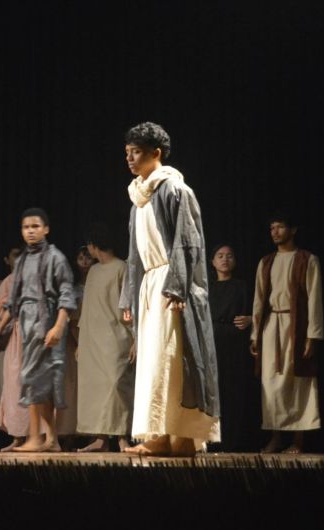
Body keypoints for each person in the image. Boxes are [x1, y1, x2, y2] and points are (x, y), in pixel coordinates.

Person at [118, 122, 220, 456]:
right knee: (153, 362)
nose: (130, 159)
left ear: (156, 153)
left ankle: (183, 436)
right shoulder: (138, 198)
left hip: (171, 286)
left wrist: (178, 288)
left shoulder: (174, 189)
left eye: (137, 152)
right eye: (128, 153)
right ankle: (162, 435)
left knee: (174, 361)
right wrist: (129, 297)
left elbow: (187, 243)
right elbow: (135, 255)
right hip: (149, 284)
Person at [0, 208, 76, 453]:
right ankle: (50, 439)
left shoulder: (55, 257)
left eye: (36, 226)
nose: (31, 231)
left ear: (46, 229)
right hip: (27, 326)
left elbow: (67, 295)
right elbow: (13, 302)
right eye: (26, 227)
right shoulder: (23, 261)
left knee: (38, 380)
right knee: (35, 382)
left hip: (47, 321)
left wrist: (59, 326)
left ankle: (38, 439)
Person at [250, 212, 323, 454]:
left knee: (297, 381)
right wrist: (255, 334)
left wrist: (312, 335)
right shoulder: (266, 262)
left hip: (296, 325)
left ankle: (298, 440)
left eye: (280, 227)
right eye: (272, 228)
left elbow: (314, 299)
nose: (275, 232)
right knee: (271, 382)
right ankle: (275, 437)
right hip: (272, 325)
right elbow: (259, 299)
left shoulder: (307, 260)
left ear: (292, 230)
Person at [76, 224, 135, 452]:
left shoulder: (121, 268)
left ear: (94, 245)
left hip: (116, 337)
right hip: (94, 338)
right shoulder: (93, 271)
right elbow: (87, 308)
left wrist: (134, 337)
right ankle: (101, 438)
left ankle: (121, 437)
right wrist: (82, 340)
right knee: (97, 388)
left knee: (116, 385)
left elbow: (128, 305)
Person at [208, 244, 255, 452]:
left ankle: (233, 442)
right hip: (213, 342)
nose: (225, 259)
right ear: (213, 261)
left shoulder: (242, 286)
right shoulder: (206, 287)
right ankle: (211, 440)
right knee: (213, 391)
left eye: (229, 256)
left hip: (235, 343)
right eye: (220, 256)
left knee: (233, 391)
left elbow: (258, 309)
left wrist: (251, 319)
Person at [56, 246, 92, 448]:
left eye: (87, 258)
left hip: (93, 339)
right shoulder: (74, 288)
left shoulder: (96, 283)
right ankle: (69, 431)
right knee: (72, 388)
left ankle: (92, 432)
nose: (85, 262)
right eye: (80, 258)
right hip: (74, 341)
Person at [0, 246, 21, 426]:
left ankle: (33, 435)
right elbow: (1, 310)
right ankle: (15, 433)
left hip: (30, 335)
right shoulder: (5, 283)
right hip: (11, 336)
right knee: (11, 384)